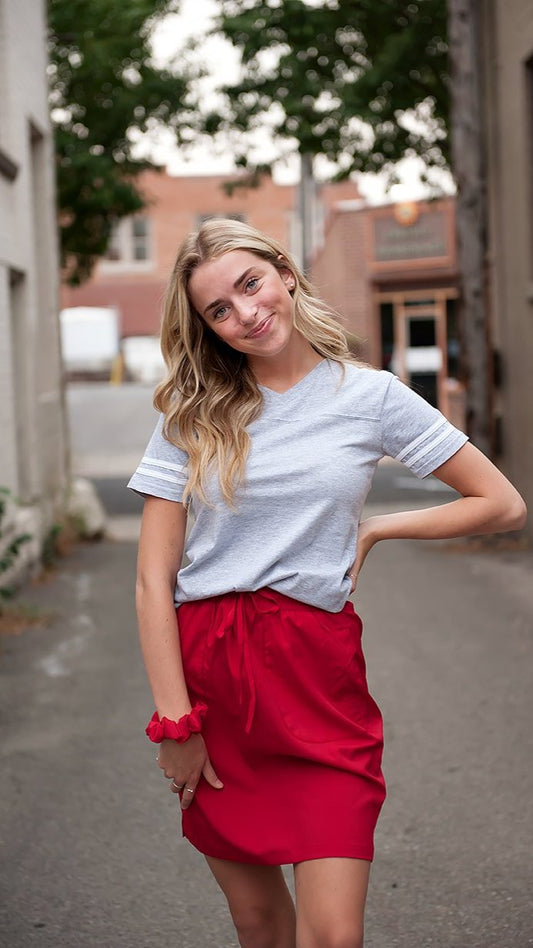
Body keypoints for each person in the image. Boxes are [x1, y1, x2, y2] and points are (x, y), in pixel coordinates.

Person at [128, 218, 526, 948]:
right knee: (258, 924)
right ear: (206, 328)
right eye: (218, 310)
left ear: (283, 273)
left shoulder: (369, 397)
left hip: (317, 676)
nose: (245, 314)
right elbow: (154, 581)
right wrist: (174, 725)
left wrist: (375, 528)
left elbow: (500, 502)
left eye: (250, 285)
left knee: (332, 936)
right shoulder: (190, 416)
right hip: (211, 680)